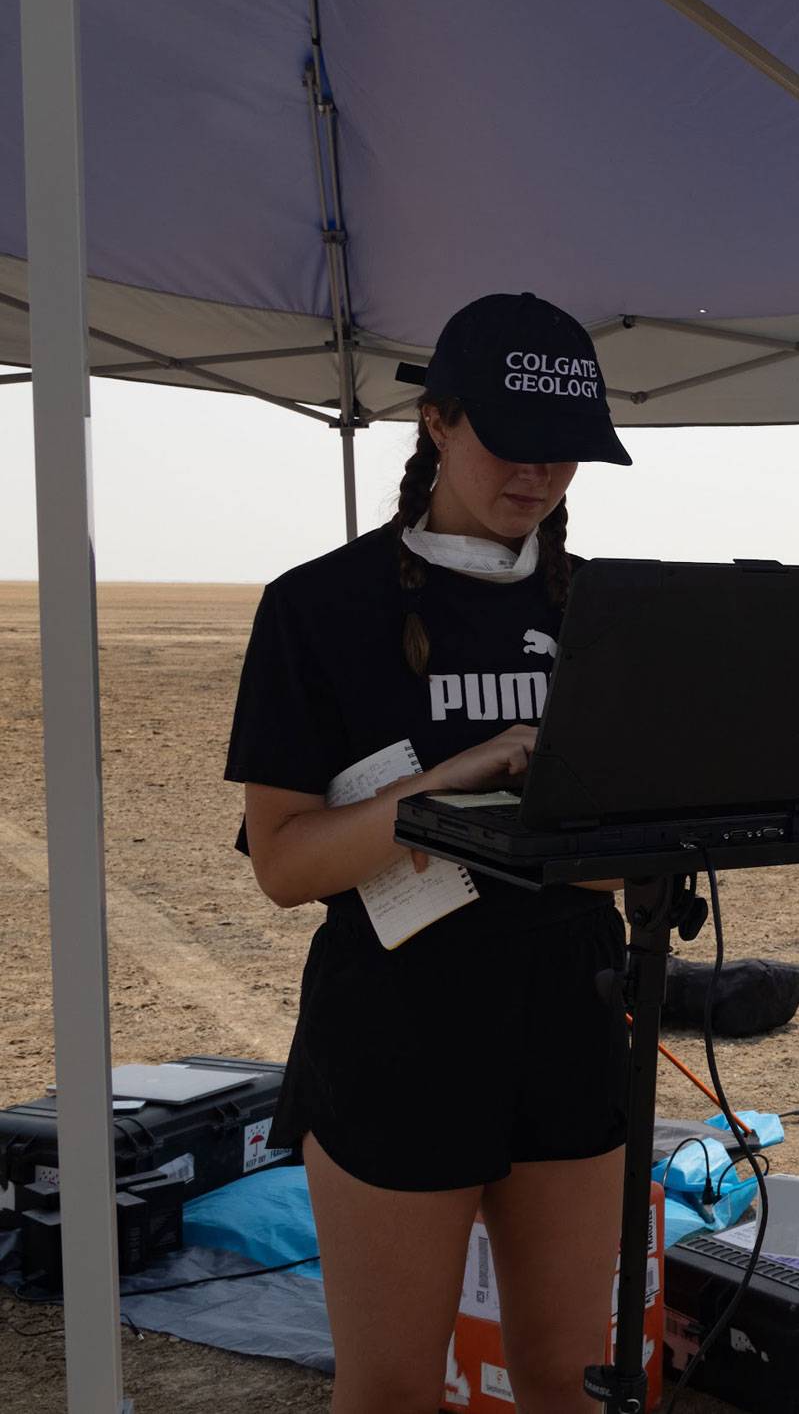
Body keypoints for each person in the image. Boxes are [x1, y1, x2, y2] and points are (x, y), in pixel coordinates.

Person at [226, 292, 634, 1414]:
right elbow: (283, 866)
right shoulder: (317, 608)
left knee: (570, 1381)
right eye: (512, 440)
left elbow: (617, 861)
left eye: (565, 450)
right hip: (396, 1035)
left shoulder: (607, 612)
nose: (539, 474)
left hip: (573, 1017)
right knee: (394, 1391)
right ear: (437, 421)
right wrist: (447, 784)